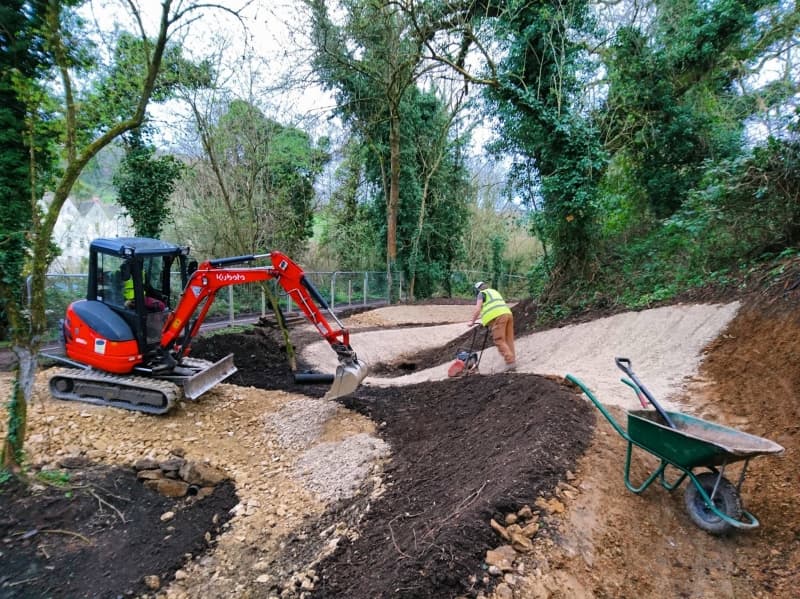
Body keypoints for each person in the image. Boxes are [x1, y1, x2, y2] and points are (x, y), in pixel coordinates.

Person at [468, 281, 516, 371]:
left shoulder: (481, 294)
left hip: (498, 317)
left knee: (499, 340)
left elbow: (478, 309)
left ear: (478, 289)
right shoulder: (494, 292)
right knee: (508, 339)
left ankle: (510, 362)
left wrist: (472, 321)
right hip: (508, 314)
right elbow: (494, 306)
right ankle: (512, 360)